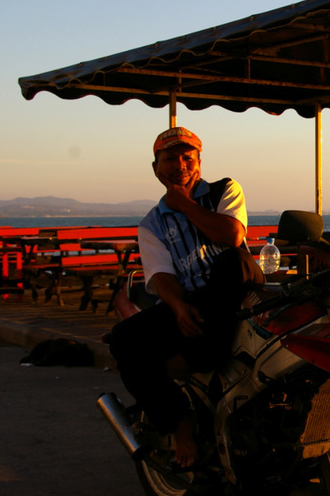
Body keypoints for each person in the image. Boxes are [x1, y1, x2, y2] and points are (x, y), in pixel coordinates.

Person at [110, 127, 264, 470]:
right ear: (156, 168)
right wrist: (178, 307)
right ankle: (180, 424)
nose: (179, 164)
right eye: (170, 159)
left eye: (187, 158)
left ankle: (200, 357)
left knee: (234, 260)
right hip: (193, 303)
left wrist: (185, 204)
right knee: (123, 340)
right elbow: (161, 275)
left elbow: (232, 235)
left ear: (198, 162)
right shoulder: (151, 223)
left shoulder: (225, 189)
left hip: (233, 296)